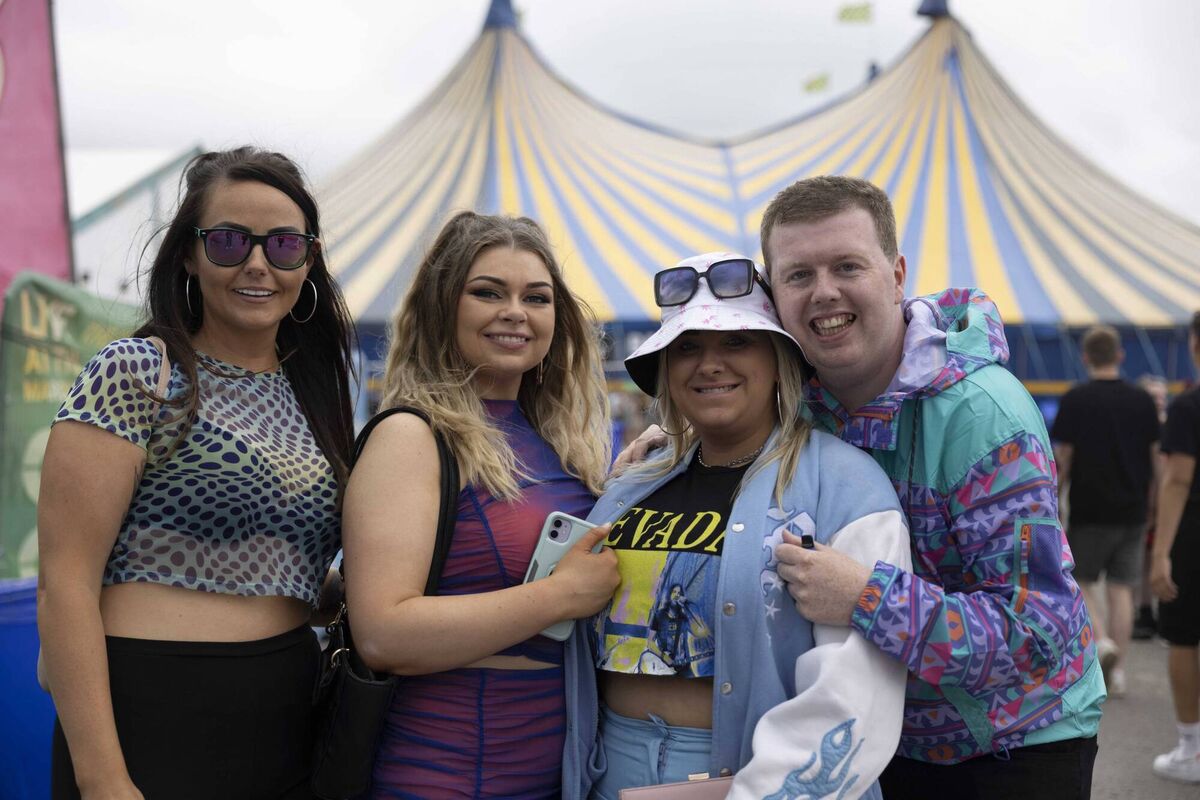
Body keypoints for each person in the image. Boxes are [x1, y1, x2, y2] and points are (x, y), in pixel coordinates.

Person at [619, 176, 1105, 798]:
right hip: (883, 745)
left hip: (1012, 745)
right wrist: (678, 441)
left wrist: (870, 598)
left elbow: (1038, 634)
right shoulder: (804, 405)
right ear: (772, 297)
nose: (825, 293)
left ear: (897, 273)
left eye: (847, 266)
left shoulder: (983, 418)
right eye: (798, 275)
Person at [38, 147, 356, 799]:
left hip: (286, 717)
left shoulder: (314, 395)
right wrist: (103, 780)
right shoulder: (137, 373)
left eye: (285, 244)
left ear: (310, 261)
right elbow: (64, 582)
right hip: (147, 715)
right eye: (231, 241)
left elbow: (274, 566)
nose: (258, 264)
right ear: (189, 252)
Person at [564, 252, 912, 800]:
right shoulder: (631, 485)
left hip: (757, 776)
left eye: (735, 343)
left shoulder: (846, 486)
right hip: (608, 771)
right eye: (687, 348)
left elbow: (858, 687)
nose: (709, 365)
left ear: (779, 359)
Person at [342, 211, 619, 798]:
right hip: (447, 770)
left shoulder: (560, 444)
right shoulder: (412, 437)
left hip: (557, 771)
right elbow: (384, 634)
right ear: (444, 307)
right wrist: (559, 596)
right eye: (488, 292)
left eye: (536, 297)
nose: (515, 311)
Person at [1050, 324, 1161, 697]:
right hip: (1133, 508)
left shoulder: (1075, 399)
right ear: (1121, 355)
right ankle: (1119, 673)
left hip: (1089, 507)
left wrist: (1056, 500)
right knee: (1122, 589)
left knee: (1082, 581)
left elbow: (1064, 457)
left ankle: (1100, 641)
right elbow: (1155, 458)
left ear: (1085, 358)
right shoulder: (1143, 401)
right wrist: (1156, 501)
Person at [1149, 311, 1200, 784]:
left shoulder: (1188, 407)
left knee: (1185, 638)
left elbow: (1178, 479)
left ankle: (1191, 745)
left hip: (1193, 537)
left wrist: (1161, 551)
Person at [1134, 373, 1170, 640]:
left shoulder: (1172, 426)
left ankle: (1163, 609)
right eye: (1153, 396)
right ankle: (1146, 610)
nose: (1158, 401)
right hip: (1147, 498)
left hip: (1165, 500)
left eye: (1162, 396)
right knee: (1145, 560)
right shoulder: (1143, 431)